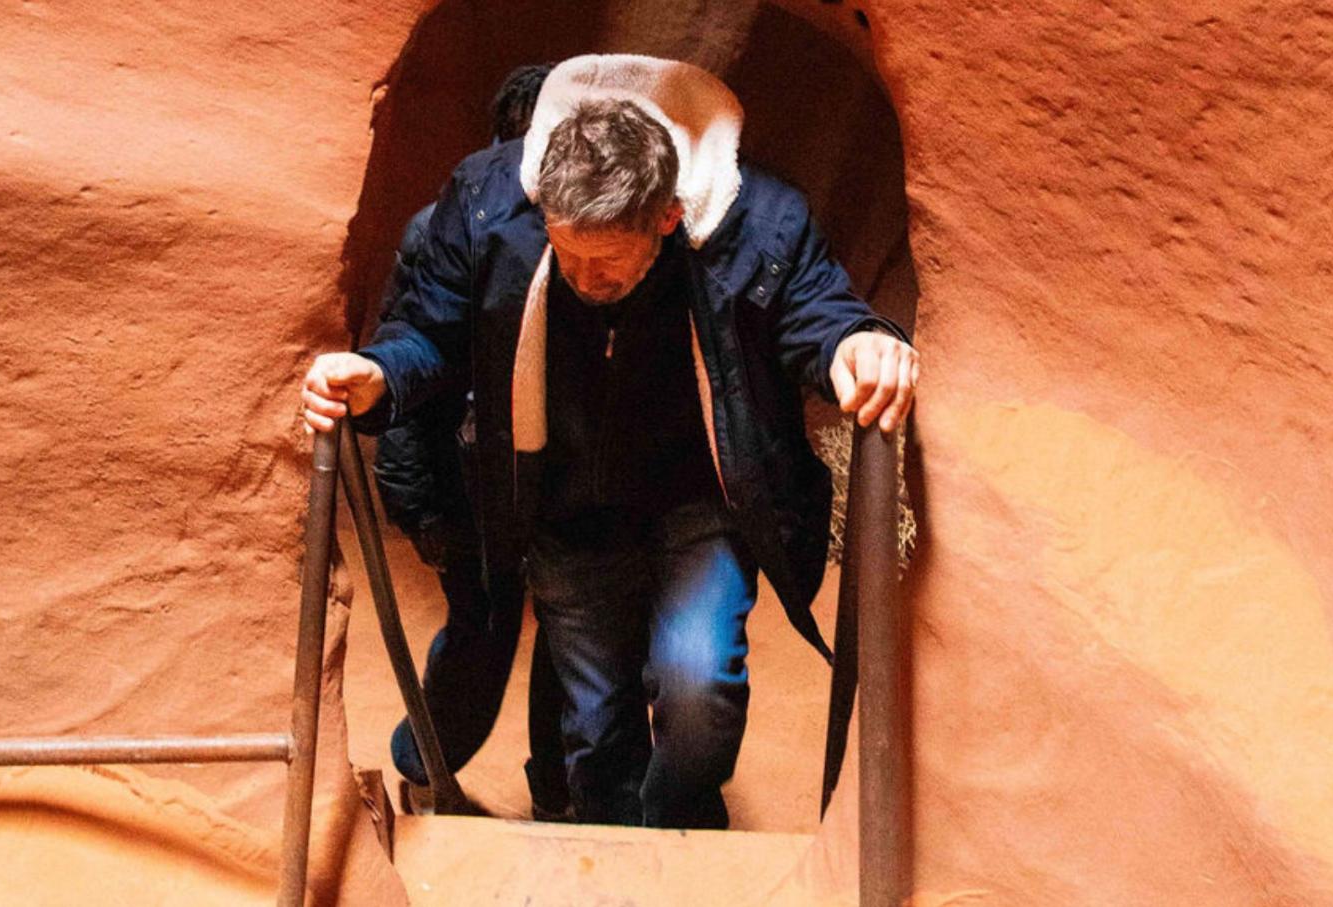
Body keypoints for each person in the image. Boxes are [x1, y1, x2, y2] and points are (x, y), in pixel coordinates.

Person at [302, 55, 917, 829]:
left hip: (701, 504)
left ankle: (677, 824)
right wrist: (380, 375)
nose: (587, 278)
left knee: (701, 693)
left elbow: (817, 314)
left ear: (667, 216)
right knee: (593, 725)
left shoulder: (759, 220)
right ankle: (611, 852)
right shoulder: (491, 205)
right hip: (562, 505)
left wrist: (857, 344)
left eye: (610, 261)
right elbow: (431, 326)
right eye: (568, 253)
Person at [371, 63, 571, 819]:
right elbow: (407, 363)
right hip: (469, 479)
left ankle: (560, 791)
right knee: (482, 633)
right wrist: (421, 505)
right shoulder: (445, 229)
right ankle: (423, 767)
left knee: (569, 636)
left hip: (551, 474)